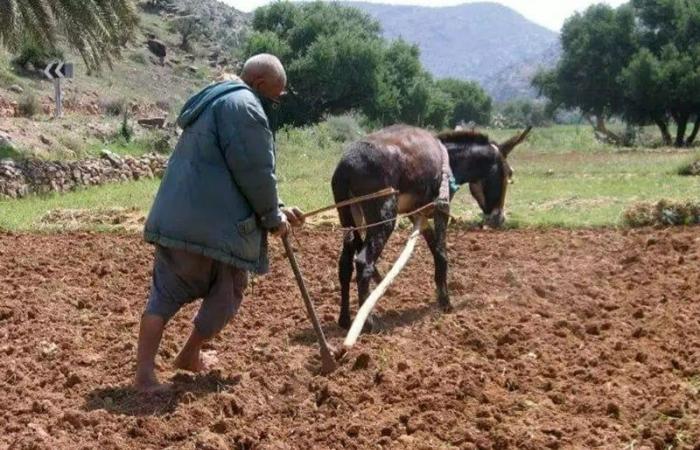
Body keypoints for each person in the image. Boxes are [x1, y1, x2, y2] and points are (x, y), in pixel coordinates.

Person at [134, 54, 304, 392]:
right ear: (258, 84)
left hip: (175, 219)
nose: (273, 102)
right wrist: (272, 218)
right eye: (274, 95)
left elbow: (231, 172)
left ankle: (145, 376)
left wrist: (279, 208)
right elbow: (255, 174)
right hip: (216, 228)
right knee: (228, 290)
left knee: (163, 297)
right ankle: (189, 353)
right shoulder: (246, 107)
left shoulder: (214, 101)